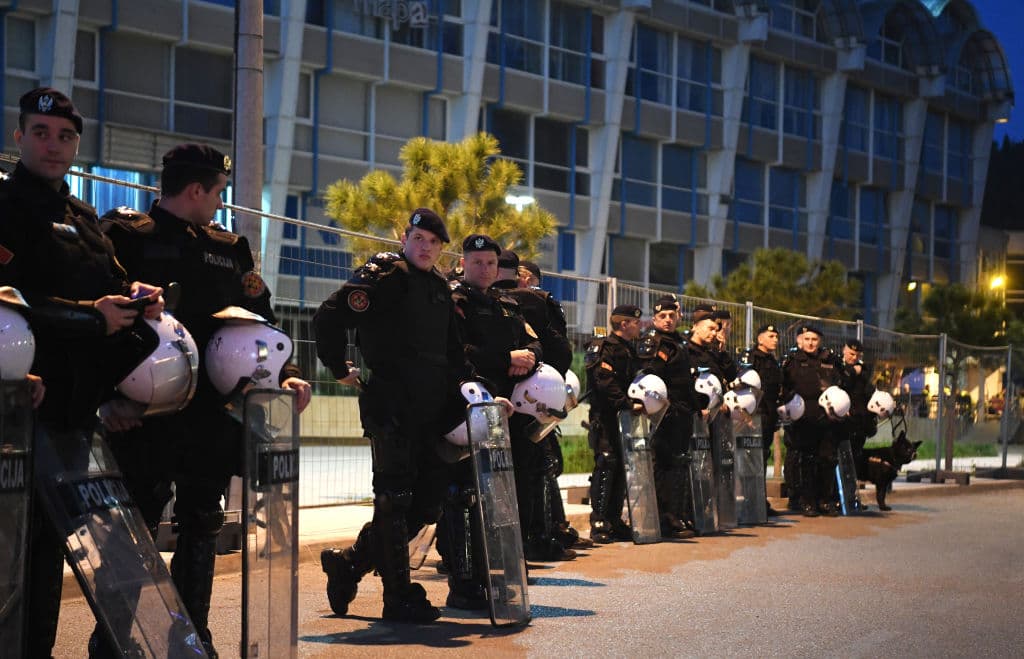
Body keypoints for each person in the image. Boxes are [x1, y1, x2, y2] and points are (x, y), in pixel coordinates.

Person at [100, 143, 311, 657]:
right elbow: (100, 325)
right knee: (135, 526)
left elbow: (260, 321)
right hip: (145, 412)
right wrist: (106, 400)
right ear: (196, 189)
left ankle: (191, 639)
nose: (219, 202)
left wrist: (288, 374)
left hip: (213, 412)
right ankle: (110, 642)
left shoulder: (230, 248)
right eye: (217, 192)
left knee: (202, 521)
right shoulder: (125, 238)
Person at [0, 87, 167, 658]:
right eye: (41, 132)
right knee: (9, 560)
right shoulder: (5, 206)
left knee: (47, 559)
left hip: (72, 413)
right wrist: (89, 318)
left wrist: (138, 297)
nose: (53, 144)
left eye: (65, 135)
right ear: (19, 137)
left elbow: (112, 287)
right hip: (16, 413)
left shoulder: (83, 216)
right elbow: (10, 299)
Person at [314, 208, 475, 623]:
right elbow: (330, 315)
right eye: (418, 238)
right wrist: (337, 367)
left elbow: (454, 352)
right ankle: (399, 597)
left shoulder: (440, 286)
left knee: (426, 506)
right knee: (394, 501)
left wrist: (471, 390)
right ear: (405, 238)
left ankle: (349, 564)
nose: (425, 247)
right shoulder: (386, 276)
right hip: (392, 404)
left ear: (442, 248)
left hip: (434, 408)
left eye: (434, 242)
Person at [441, 235, 544, 608]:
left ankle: (494, 575)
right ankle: (463, 583)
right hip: (470, 406)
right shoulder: (456, 302)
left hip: (507, 410)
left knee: (498, 496)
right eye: (477, 262)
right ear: (463, 263)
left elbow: (534, 342)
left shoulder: (507, 303)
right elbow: (457, 352)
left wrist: (528, 357)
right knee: (464, 495)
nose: (484, 269)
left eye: (490, 263)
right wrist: (505, 359)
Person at [493, 249, 580, 558]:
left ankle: (464, 554)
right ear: (521, 275)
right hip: (530, 403)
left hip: (484, 400)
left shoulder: (465, 298)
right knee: (532, 472)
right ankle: (532, 541)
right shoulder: (536, 301)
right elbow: (560, 354)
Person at [636, 295, 697, 537]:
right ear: (654, 319)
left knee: (679, 464)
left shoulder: (679, 342)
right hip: (664, 413)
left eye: (672, 315)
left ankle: (677, 515)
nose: (668, 320)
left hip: (682, 412)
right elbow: (649, 378)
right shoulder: (653, 342)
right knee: (664, 465)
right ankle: (665, 519)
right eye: (663, 316)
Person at [584, 303, 643, 543]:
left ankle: (614, 519)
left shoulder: (630, 349)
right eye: (636, 322)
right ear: (623, 323)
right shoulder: (603, 347)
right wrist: (627, 404)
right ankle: (599, 521)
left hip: (623, 418)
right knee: (606, 465)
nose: (639, 326)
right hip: (606, 416)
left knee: (621, 466)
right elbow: (603, 381)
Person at [781, 325, 843, 517]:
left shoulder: (829, 360)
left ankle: (825, 500)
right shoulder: (792, 362)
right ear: (800, 340)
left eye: (814, 339)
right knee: (806, 462)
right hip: (804, 418)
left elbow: (841, 384)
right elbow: (785, 387)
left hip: (827, 417)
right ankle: (806, 501)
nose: (810, 343)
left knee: (827, 460)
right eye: (806, 339)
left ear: (819, 341)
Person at [747, 324, 783, 516]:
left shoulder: (773, 360)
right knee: (753, 458)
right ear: (760, 339)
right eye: (771, 336)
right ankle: (751, 501)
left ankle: (760, 501)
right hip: (755, 414)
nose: (775, 339)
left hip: (769, 414)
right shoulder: (752, 359)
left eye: (776, 336)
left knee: (762, 456)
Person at [839, 339, 874, 501]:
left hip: (859, 422)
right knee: (841, 460)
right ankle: (839, 496)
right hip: (843, 421)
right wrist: (853, 372)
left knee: (854, 461)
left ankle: (852, 497)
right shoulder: (838, 367)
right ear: (844, 350)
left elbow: (868, 392)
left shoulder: (864, 370)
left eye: (857, 355)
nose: (854, 357)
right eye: (851, 354)